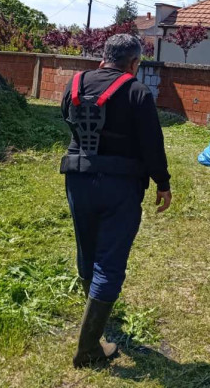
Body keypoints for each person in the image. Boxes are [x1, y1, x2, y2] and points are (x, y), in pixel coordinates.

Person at [60, 34, 172, 368]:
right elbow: (152, 143)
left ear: (104, 57)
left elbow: (69, 121)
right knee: (109, 262)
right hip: (119, 185)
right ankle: (88, 348)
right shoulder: (137, 92)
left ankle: (96, 326)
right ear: (134, 63)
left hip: (77, 179)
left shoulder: (75, 83)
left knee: (87, 251)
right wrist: (163, 182)